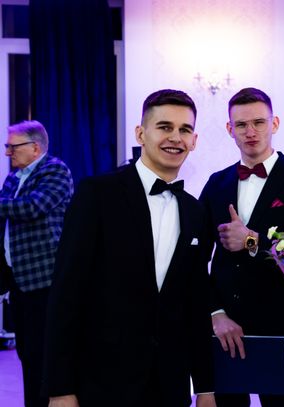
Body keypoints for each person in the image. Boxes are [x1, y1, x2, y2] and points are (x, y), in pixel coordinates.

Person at [43, 89, 216, 407]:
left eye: (184, 130)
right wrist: (60, 387)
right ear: (141, 134)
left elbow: (194, 304)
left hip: (169, 384)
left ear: (194, 141)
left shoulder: (195, 212)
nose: (175, 137)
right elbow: (66, 294)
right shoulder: (97, 194)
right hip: (102, 381)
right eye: (164, 127)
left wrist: (206, 387)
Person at [199, 87, 284, 406]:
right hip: (224, 329)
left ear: (274, 123)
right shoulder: (216, 183)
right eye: (241, 124)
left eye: (258, 122)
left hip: (278, 326)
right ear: (230, 129)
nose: (250, 131)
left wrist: (251, 240)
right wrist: (215, 313)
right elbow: (194, 260)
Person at [0, 120, 73, 407]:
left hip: (46, 279)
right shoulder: (13, 178)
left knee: (46, 355)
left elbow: (33, 206)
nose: (8, 152)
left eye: (12, 147)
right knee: (27, 355)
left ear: (35, 147)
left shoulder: (55, 170)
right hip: (19, 280)